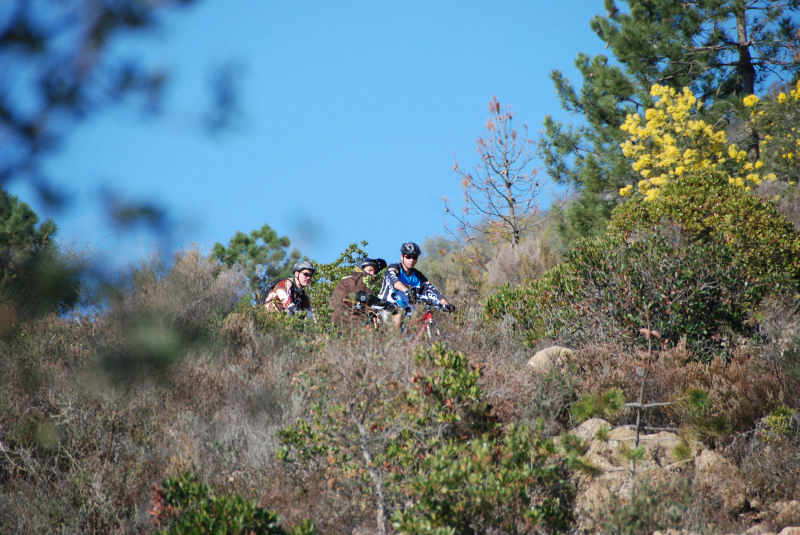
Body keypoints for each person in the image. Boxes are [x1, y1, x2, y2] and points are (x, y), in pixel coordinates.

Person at [378, 241, 452, 328]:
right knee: (398, 317)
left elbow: (432, 291)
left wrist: (445, 304)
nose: (411, 260)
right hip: (385, 308)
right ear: (402, 257)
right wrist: (406, 290)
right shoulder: (394, 268)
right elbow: (394, 281)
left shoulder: (418, 276)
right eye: (408, 257)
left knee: (416, 329)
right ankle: (393, 337)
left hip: (406, 316)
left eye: (414, 257)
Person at [329, 257, 388, 330]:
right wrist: (384, 304)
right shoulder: (363, 276)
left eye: (374, 271)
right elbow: (363, 296)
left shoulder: (347, 278)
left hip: (334, 320)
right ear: (361, 268)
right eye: (370, 270)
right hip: (350, 320)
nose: (372, 273)